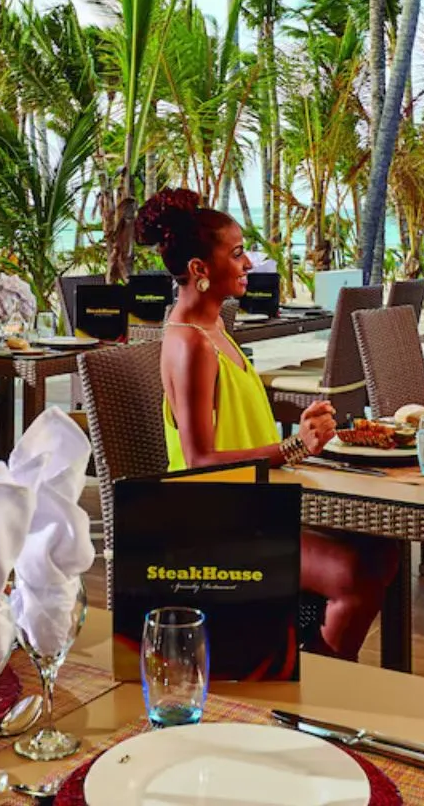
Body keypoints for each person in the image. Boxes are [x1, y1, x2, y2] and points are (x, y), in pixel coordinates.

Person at [141, 187, 399, 660]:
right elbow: (199, 461)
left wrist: (303, 429)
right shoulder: (190, 344)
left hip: (251, 503)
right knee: (356, 575)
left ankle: (307, 656)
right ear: (199, 268)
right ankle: (317, 684)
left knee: (383, 549)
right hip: (211, 522)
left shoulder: (215, 328)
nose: (248, 264)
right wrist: (293, 447)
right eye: (236, 254)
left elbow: (238, 421)